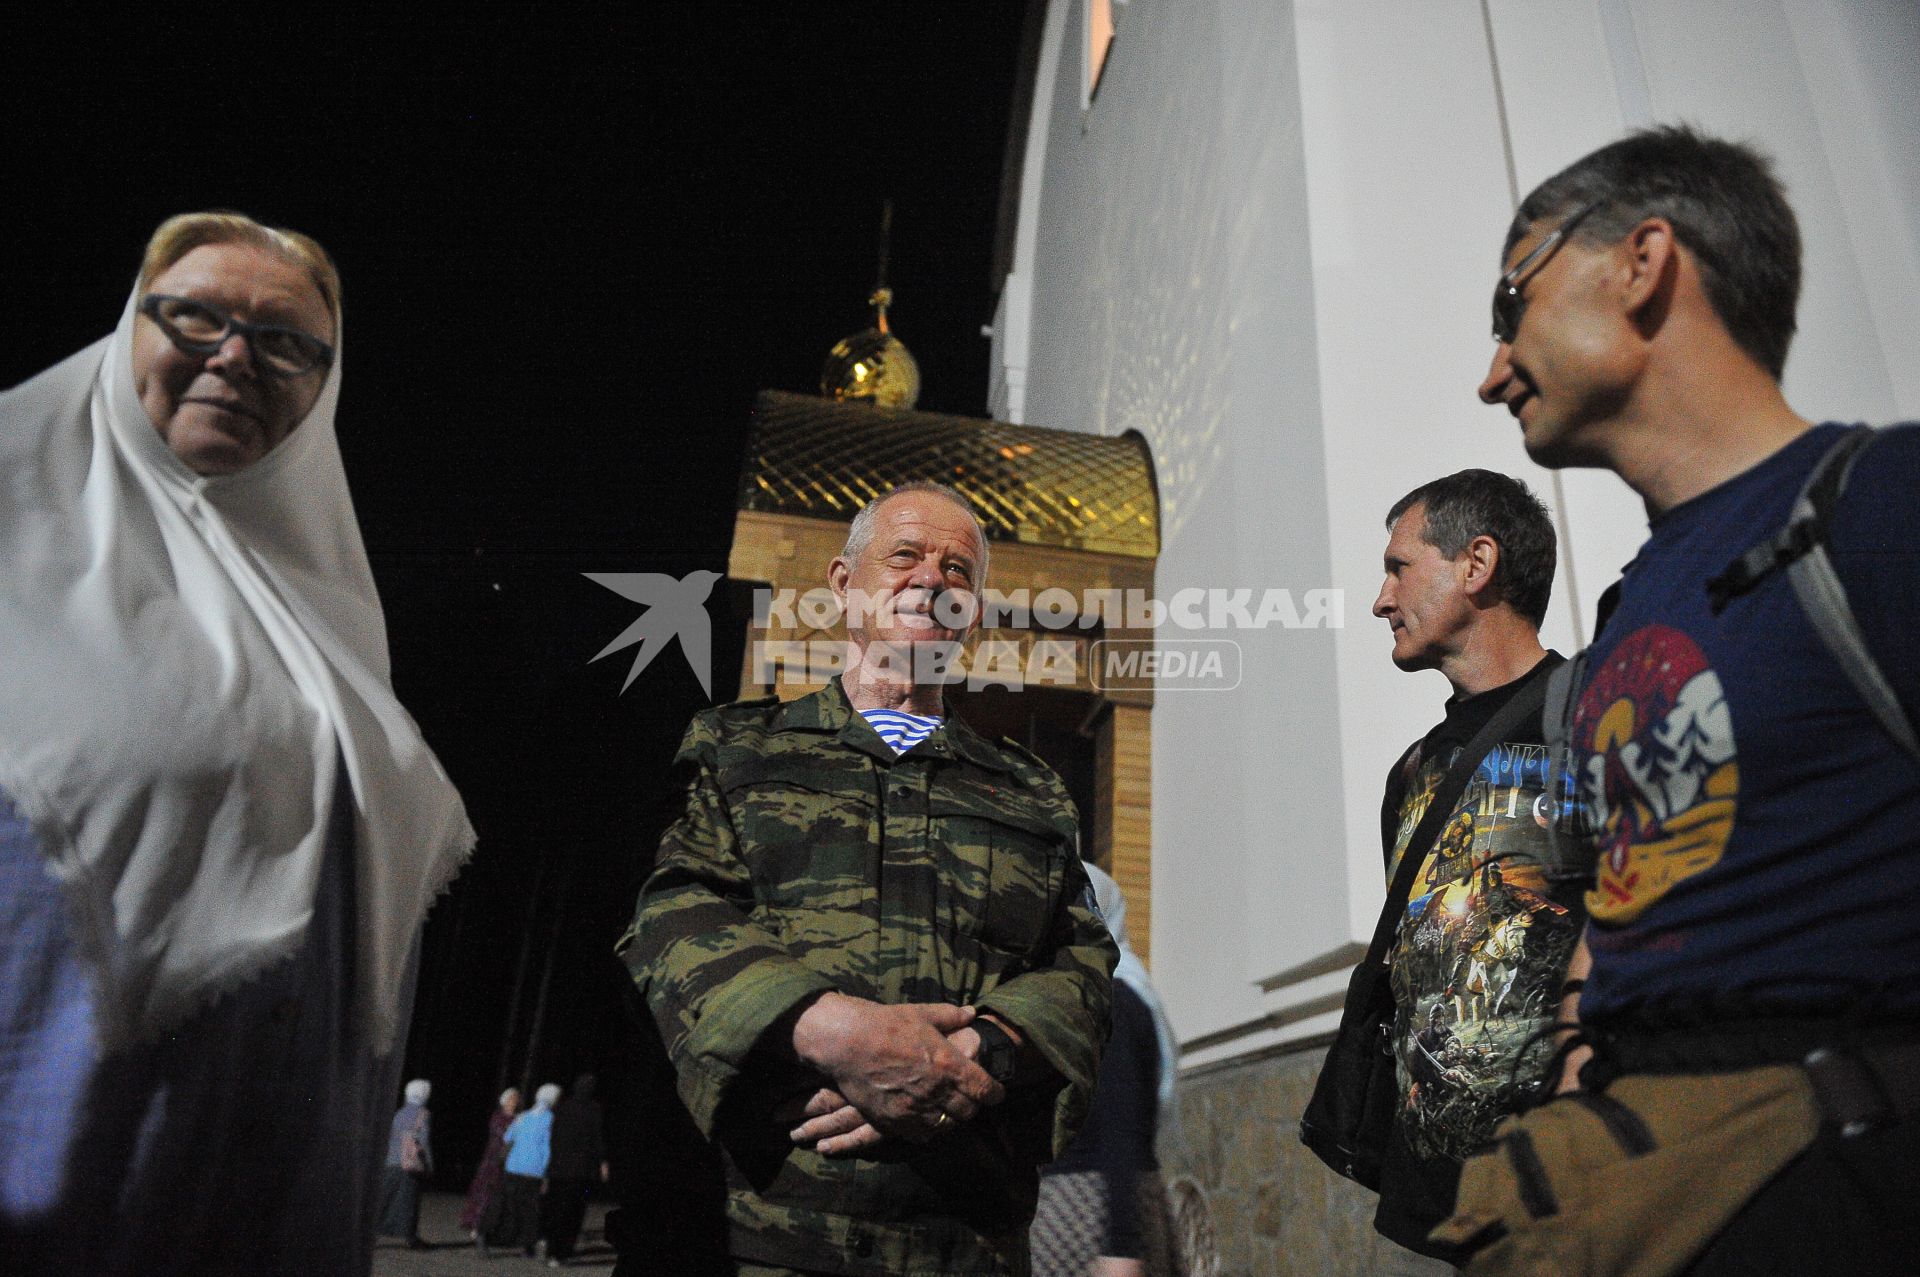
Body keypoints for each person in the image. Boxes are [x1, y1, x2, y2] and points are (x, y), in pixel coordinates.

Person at [1473, 124, 1920, 1270]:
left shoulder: (1882, 503)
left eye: (1509, 301)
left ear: (1643, 261)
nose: (1491, 372)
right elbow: (1616, 896)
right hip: (1642, 1190)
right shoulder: (1628, 606)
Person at [0, 213, 474, 1276]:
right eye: (196, 315)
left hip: (277, 1190)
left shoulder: (328, 620)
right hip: (61, 1173)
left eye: (288, 342)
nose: (234, 356)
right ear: (132, 329)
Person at [621, 481, 1118, 1276]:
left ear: (975, 615)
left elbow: (1082, 960)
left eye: (960, 571)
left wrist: (976, 1053)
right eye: (907, 556)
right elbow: (674, 913)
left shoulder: (1032, 790)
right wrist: (835, 1033)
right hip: (759, 1230)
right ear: (844, 584)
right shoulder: (736, 749)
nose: (933, 581)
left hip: (965, 1236)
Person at [1354, 471, 1586, 1271]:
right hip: (1439, 1201)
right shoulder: (1412, 771)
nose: (1382, 600)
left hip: (1569, 1180)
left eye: (1399, 567)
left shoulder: (1593, 716)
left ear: (1476, 563)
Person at [1031, 864, 1181, 1277]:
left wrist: (1121, 1250)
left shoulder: (1113, 1000)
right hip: (1087, 1214)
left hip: (1093, 1220)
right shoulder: (1094, 998)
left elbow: (1122, 1134)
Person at [487, 1081, 561, 1258]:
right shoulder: (551, 1120)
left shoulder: (523, 1116)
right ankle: (527, 1246)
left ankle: (490, 1235)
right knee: (531, 1211)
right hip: (534, 1170)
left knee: (509, 1206)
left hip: (513, 1167)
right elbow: (548, 1149)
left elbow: (508, 1137)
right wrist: (546, 1173)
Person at [542, 1073, 609, 1266]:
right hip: (582, 1174)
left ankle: (552, 1250)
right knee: (574, 1212)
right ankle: (563, 1252)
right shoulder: (594, 1110)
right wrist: (603, 1163)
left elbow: (553, 1139)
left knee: (556, 1209)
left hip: (558, 1171)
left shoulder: (562, 1108)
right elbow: (598, 1140)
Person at [378, 1079, 435, 1248]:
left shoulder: (399, 1113)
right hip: (410, 1164)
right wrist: (429, 1165)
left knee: (386, 1200)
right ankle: (411, 1237)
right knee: (409, 1201)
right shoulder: (423, 1114)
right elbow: (424, 1142)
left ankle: (372, 1233)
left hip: (391, 1163)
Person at [462, 1087, 521, 1239]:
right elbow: (502, 1135)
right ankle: (477, 1224)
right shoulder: (498, 1117)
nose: (514, 1101)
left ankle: (497, 1228)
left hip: (509, 1161)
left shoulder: (518, 1119)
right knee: (485, 1193)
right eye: (512, 1099)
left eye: (516, 1099)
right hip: (493, 1160)